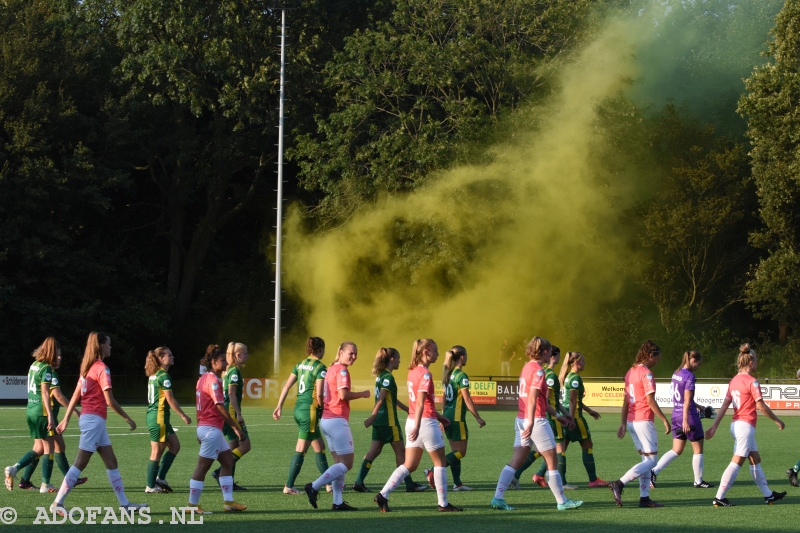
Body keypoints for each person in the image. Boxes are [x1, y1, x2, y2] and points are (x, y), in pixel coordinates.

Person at [49, 332, 147, 516]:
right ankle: (57, 503)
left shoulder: (87, 368)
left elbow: (76, 396)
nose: (111, 347)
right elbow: (109, 401)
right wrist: (127, 418)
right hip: (94, 421)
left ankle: (125, 505)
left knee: (111, 461)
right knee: (80, 463)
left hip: (93, 421)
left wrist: (66, 418)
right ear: (102, 346)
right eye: (109, 344)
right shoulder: (102, 368)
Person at [490, 336, 581, 512]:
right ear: (545, 352)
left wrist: (558, 415)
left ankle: (498, 498)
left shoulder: (526, 367)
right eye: (549, 351)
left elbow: (540, 400)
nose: (551, 354)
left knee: (517, 459)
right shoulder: (539, 371)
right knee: (552, 460)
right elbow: (532, 398)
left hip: (521, 418)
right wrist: (532, 422)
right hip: (535, 420)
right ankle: (562, 501)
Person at [373, 339, 462, 512]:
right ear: (425, 353)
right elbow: (421, 403)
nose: (437, 354)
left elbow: (422, 403)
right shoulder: (425, 374)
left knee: (409, 465)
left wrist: (439, 416)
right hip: (424, 423)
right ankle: (443, 504)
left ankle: (382, 495)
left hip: (414, 420)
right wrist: (420, 425)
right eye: (435, 351)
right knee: (440, 462)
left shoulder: (412, 371)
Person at [705, 343, 786, 507]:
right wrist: (778, 420)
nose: (757, 364)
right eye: (756, 361)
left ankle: (768, 495)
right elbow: (761, 405)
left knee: (755, 458)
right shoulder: (752, 382)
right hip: (745, 426)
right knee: (737, 461)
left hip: (736, 425)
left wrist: (715, 426)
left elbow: (724, 406)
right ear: (750, 363)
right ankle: (719, 497)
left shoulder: (734, 380)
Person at [304, 342, 371, 511]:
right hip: (337, 420)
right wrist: (363, 394)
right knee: (347, 464)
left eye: (356, 354)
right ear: (341, 352)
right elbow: (343, 395)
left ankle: (338, 502)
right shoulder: (341, 370)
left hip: (326, 420)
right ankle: (313, 486)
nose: (354, 356)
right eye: (351, 353)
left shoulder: (331, 368)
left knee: (338, 464)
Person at [353, 347, 427, 493]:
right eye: (398, 358)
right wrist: (373, 414)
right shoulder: (388, 377)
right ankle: (409, 484)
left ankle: (359, 482)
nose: (400, 361)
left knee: (374, 451)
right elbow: (381, 397)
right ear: (392, 359)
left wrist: (406, 408)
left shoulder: (380, 375)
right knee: (400, 452)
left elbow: (389, 397)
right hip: (388, 421)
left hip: (380, 421)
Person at [609, 340, 670, 508]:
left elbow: (626, 401)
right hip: (643, 421)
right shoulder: (646, 373)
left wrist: (622, 422)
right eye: (657, 358)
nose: (658, 361)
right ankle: (619, 483)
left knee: (645, 460)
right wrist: (664, 419)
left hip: (631, 421)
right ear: (651, 355)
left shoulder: (630, 372)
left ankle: (644, 498)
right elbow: (650, 401)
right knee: (651, 461)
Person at [18, 347, 88, 490]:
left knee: (47, 447)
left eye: (61, 355)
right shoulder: (50, 372)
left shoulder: (37, 367)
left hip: (38, 413)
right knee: (45, 448)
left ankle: (25, 480)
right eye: (57, 355)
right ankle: (59, 480)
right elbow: (58, 395)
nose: (60, 357)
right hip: (46, 416)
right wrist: (74, 410)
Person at [188, 345, 247, 514]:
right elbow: (220, 407)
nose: (226, 362)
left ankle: (229, 502)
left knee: (227, 462)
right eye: (222, 360)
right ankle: (192, 506)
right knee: (202, 468)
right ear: (213, 362)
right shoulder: (213, 381)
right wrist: (236, 429)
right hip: (211, 431)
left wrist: (199, 425)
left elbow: (199, 405)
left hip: (209, 429)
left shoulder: (202, 379)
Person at [273, 337, 333, 495]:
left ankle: (328, 483)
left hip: (298, 409)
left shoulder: (300, 364)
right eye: (324, 349)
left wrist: (279, 406)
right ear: (320, 349)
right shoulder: (320, 367)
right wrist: (325, 408)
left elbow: (287, 385)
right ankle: (289, 485)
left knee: (319, 447)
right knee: (301, 449)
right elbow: (319, 394)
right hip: (310, 411)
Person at [649, 350, 713, 490]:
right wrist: (686, 420)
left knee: (676, 449)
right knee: (698, 449)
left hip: (676, 415)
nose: (698, 367)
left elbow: (682, 397)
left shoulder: (676, 373)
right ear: (692, 360)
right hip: (688, 417)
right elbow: (687, 400)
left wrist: (699, 407)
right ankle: (698, 481)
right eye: (698, 364)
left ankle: (653, 471)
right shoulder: (690, 376)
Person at [427, 345, 486, 491]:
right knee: (461, 452)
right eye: (466, 355)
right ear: (462, 357)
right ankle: (433, 470)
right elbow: (467, 399)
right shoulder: (461, 375)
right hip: (457, 418)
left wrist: (443, 415)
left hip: (448, 415)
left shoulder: (449, 373)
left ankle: (457, 483)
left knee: (455, 452)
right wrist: (477, 417)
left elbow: (444, 398)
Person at [515, 346, 575, 490]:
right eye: (558, 356)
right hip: (547, 417)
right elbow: (545, 400)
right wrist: (560, 415)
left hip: (546, 415)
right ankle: (562, 483)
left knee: (541, 450)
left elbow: (552, 400)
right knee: (558, 449)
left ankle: (533, 475)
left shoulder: (544, 372)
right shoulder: (548, 374)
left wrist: (565, 414)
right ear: (553, 356)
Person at [5, 337, 59, 493]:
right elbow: (44, 392)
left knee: (38, 448)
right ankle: (45, 484)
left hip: (30, 411)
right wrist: (50, 415)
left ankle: (15, 468)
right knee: (49, 449)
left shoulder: (34, 365)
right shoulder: (46, 368)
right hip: (41, 413)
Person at [145, 346, 192, 493]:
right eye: (169, 355)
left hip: (157, 417)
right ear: (161, 358)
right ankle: (150, 486)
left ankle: (160, 478)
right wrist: (183, 415)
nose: (172, 357)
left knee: (175, 445)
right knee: (156, 452)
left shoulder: (155, 374)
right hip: (158, 418)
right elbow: (170, 399)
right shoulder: (163, 376)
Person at [558, 351, 608, 488]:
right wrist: (572, 418)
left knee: (561, 449)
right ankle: (593, 480)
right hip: (575, 417)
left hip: (565, 416)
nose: (585, 363)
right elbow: (573, 400)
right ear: (575, 362)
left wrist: (589, 410)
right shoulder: (575, 379)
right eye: (583, 361)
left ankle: (547, 477)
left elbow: (574, 399)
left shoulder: (568, 376)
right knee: (588, 446)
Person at [212, 342, 250, 490]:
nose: (247, 356)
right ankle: (220, 472)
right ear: (237, 356)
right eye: (245, 353)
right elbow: (232, 394)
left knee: (233, 446)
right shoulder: (234, 371)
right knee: (245, 445)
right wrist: (239, 413)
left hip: (226, 413)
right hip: (232, 413)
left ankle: (228, 482)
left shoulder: (228, 370)